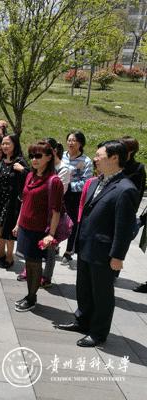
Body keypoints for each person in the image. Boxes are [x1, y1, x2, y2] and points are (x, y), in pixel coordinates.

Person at [56, 141, 138, 347]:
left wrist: (118, 256)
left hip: (104, 252)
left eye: (99, 155)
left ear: (114, 158)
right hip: (86, 246)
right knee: (84, 288)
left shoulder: (126, 189)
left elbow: (124, 227)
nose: (95, 159)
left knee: (102, 294)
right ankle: (82, 321)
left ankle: (98, 332)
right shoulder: (94, 182)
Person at [13, 141, 64, 312]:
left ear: (49, 157)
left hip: (39, 230)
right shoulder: (30, 175)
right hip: (25, 227)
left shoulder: (54, 181)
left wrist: (51, 234)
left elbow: (56, 211)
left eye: (38, 156)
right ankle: (29, 295)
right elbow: (24, 202)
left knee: (34, 265)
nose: (34, 159)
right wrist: (18, 223)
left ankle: (31, 297)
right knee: (28, 263)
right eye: (32, 156)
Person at [0, 134, 29, 269]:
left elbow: (30, 177)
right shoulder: (1, 160)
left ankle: (10, 256)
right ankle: (0, 253)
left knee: (8, 229)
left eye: (8, 143)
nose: (5, 146)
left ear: (15, 145)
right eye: (3, 143)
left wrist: (23, 170)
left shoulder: (20, 161)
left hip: (12, 202)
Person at [40, 139, 72, 288]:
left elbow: (60, 192)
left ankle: (47, 277)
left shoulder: (63, 169)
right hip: (40, 211)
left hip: (53, 213)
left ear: (53, 151)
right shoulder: (42, 166)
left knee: (50, 247)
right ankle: (32, 271)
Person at [118, 136, 147, 292]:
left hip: (126, 211)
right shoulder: (116, 163)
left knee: (120, 243)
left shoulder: (138, 168)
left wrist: (131, 213)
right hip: (110, 209)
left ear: (131, 151)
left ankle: (113, 271)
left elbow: (139, 193)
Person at [62, 131, 93, 265]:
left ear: (80, 143)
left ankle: (69, 251)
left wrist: (69, 186)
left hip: (74, 195)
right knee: (55, 219)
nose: (70, 143)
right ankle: (53, 246)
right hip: (59, 193)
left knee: (73, 223)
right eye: (69, 140)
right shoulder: (62, 155)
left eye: (74, 140)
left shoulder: (86, 161)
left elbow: (86, 182)